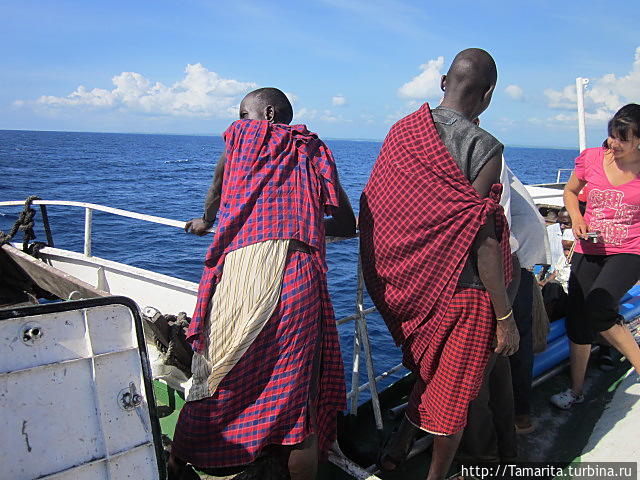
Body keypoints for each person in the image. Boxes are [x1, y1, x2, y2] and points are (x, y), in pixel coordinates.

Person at [169, 87, 356, 480]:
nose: (240, 123)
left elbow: (218, 193)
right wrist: (296, 227)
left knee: (217, 373)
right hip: (298, 277)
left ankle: (177, 462)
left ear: (268, 114)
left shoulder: (238, 144)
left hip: (242, 277)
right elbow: (346, 225)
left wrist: (206, 221)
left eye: (244, 114)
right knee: (296, 400)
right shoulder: (311, 151)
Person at [359, 48, 519, 480]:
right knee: (453, 399)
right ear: (488, 95)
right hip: (467, 295)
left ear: (444, 82)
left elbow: (377, 205)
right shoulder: (484, 147)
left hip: (409, 287)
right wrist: (505, 316)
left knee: (436, 378)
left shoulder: (402, 131)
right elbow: (483, 237)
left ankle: (400, 441)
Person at [551, 103, 640, 410]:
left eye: (622, 138)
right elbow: (571, 191)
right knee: (578, 319)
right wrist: (576, 217)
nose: (613, 143)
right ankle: (576, 391)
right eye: (612, 135)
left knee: (600, 307)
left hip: (630, 249)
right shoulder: (591, 158)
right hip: (590, 246)